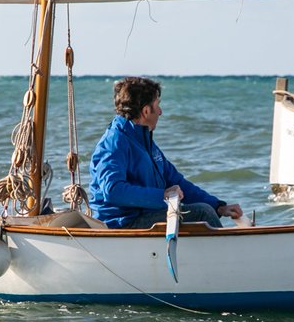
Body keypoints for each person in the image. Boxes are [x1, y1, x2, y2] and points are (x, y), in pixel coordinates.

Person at [89, 76, 244, 229]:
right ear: (146, 111)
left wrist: (218, 207)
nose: (160, 111)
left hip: (145, 215)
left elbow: (176, 182)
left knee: (206, 208)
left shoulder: (144, 141)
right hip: (122, 223)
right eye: (158, 105)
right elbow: (113, 191)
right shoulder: (115, 141)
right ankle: (226, 252)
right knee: (203, 213)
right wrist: (162, 194)